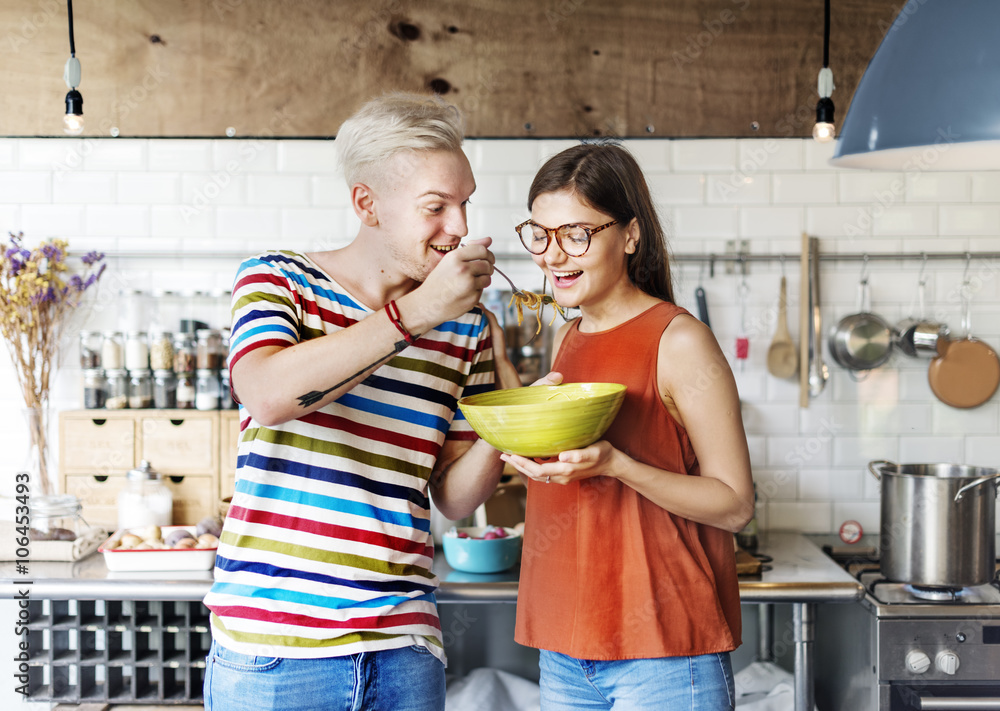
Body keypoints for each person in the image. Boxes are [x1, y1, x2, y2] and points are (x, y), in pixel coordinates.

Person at [202, 92, 521, 711]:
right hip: (274, 651)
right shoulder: (278, 280)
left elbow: (454, 498)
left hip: (404, 648)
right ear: (366, 204)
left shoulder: (467, 328)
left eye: (465, 203)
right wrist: (421, 311)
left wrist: (514, 420)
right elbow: (267, 395)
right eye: (436, 206)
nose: (459, 226)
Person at [501, 143, 755, 710]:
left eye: (576, 234)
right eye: (539, 234)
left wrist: (617, 464)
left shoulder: (679, 341)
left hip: (663, 653)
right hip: (566, 649)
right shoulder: (570, 337)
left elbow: (735, 504)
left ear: (630, 234)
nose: (552, 255)